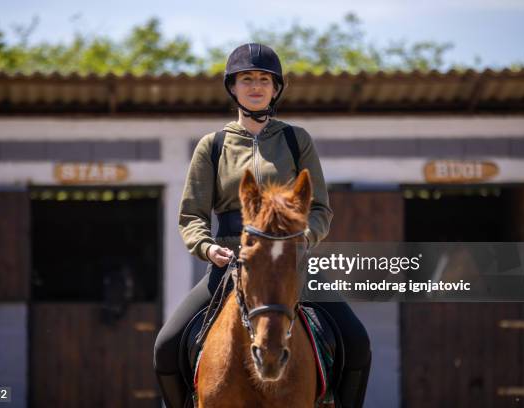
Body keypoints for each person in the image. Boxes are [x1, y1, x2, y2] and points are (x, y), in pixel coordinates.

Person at [153, 43, 371, 408]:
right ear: (233, 87)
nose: (256, 86)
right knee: (166, 345)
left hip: (291, 260)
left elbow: (320, 209)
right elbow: (191, 216)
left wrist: (300, 240)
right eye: (247, 79)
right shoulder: (213, 146)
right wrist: (208, 248)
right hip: (228, 264)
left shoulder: (295, 139)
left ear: (276, 88)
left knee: (357, 341)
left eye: (264, 79)